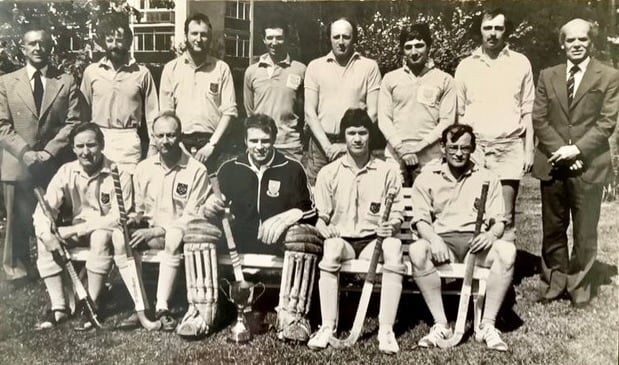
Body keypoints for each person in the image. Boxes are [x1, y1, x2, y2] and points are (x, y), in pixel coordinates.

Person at [203, 113, 319, 342]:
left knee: (303, 237)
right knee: (199, 231)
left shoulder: (291, 168)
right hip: (238, 240)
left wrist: (288, 217)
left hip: (277, 242)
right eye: (254, 141)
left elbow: (311, 211)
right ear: (245, 141)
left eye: (265, 141)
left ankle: (293, 317)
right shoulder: (229, 168)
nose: (259, 147)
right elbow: (211, 205)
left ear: (274, 140)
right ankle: (202, 312)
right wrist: (209, 206)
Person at [532, 19, 619, 307]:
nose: (577, 45)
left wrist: (578, 150)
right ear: (562, 43)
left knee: (585, 229)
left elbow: (607, 122)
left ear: (591, 42)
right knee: (553, 227)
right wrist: (563, 151)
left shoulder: (608, 75)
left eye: (583, 40)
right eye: (571, 40)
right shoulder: (547, 75)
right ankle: (554, 283)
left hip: (589, 165)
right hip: (553, 162)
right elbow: (539, 118)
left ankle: (580, 286)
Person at [408, 124, 515, 351]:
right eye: (453, 147)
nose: (458, 153)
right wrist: (434, 240)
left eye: (465, 148)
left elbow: (499, 220)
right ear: (442, 148)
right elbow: (420, 221)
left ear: (472, 149)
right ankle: (441, 324)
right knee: (417, 251)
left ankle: (487, 325)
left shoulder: (488, 178)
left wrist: (491, 234)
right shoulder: (427, 178)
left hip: (475, 245)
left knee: (507, 252)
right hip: (442, 243)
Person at [307, 108, 405, 354]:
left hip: (374, 242)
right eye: (351, 133)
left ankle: (386, 329)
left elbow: (397, 216)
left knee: (394, 247)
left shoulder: (387, 171)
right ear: (344, 136)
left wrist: (390, 226)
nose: (358, 139)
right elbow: (321, 218)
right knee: (330, 249)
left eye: (363, 133)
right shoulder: (329, 172)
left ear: (370, 136)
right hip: (345, 242)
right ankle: (328, 325)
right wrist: (324, 227)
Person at [0, 23, 81, 282]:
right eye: (32, 43)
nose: (38, 48)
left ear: (51, 48)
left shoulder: (65, 81)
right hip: (17, 163)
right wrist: (24, 152)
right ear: (22, 48)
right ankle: (18, 271)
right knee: (16, 220)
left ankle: (61, 265)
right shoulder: (6, 82)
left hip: (52, 162)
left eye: (43, 43)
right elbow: (2, 124)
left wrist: (49, 151)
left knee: (56, 214)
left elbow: (74, 122)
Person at [32, 123, 132, 329]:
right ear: (73, 148)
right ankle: (59, 308)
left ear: (102, 145)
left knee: (100, 236)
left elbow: (119, 217)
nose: (86, 152)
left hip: (106, 232)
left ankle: (92, 304)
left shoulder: (118, 172)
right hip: (78, 230)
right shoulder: (66, 171)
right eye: (80, 146)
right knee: (45, 239)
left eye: (91, 145)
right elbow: (43, 211)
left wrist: (77, 229)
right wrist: (47, 235)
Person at [120, 110, 209, 331]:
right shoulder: (143, 168)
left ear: (180, 136)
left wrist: (157, 231)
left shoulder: (197, 170)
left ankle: (162, 307)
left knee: (173, 234)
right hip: (150, 232)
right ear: (153, 136)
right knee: (119, 238)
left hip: (181, 236)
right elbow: (139, 210)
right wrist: (133, 220)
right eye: (160, 136)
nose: (165, 141)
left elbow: (191, 216)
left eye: (171, 135)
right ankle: (140, 305)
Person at [455, 8, 535, 242]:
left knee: (505, 215)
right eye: (487, 28)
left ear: (506, 30)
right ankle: (478, 269)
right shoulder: (465, 66)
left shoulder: (521, 63)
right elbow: (459, 114)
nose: (492, 34)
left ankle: (505, 272)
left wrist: (528, 149)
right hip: (475, 148)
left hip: (509, 146)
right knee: (473, 211)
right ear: (480, 30)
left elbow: (528, 109)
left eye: (498, 28)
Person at [304, 17, 381, 184]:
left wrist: (346, 145)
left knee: (355, 190)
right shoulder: (315, 66)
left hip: (356, 142)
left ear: (353, 38)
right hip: (320, 145)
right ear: (329, 38)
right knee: (317, 195)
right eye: (336, 37)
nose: (341, 42)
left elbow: (373, 112)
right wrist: (327, 146)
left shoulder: (369, 67)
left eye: (346, 37)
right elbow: (310, 112)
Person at [378, 23, 456, 186]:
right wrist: (401, 149)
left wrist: (418, 147)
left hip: (431, 156)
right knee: (395, 206)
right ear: (402, 50)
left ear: (429, 47)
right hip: (395, 154)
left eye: (419, 46)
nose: (414, 52)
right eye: (408, 47)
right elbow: (384, 118)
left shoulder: (445, 79)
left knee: (427, 207)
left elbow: (447, 121)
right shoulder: (390, 79)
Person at [160, 12, 238, 173]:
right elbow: (167, 114)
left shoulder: (221, 68)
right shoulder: (171, 69)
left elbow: (229, 112)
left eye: (203, 35)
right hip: (179, 143)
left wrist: (211, 145)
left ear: (209, 38)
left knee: (214, 195)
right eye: (194, 33)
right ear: (186, 36)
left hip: (213, 145)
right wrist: (179, 146)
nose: (198, 39)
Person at [80, 14, 159, 172]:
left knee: (127, 190)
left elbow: (153, 114)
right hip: (98, 138)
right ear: (104, 43)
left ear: (128, 42)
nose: (114, 45)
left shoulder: (142, 73)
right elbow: (83, 112)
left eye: (119, 40)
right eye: (110, 40)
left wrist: (153, 146)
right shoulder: (91, 72)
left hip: (128, 140)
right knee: (98, 190)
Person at [244, 18, 306, 162]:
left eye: (279, 38)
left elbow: (303, 111)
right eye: (270, 38)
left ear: (286, 38)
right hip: (261, 144)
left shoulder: (300, 70)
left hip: (290, 145)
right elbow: (249, 110)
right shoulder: (252, 72)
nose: (274, 43)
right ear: (263, 39)